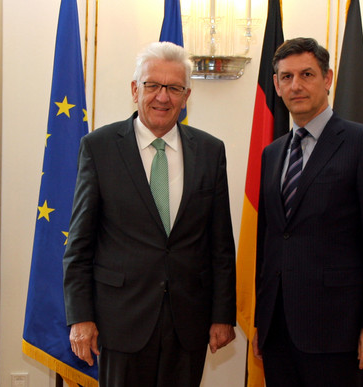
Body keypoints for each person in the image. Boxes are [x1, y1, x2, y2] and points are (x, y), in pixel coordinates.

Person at [63, 41, 236, 387]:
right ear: (134, 89)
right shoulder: (99, 147)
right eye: (152, 85)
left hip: (188, 322)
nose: (162, 97)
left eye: (173, 88)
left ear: (186, 95)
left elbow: (220, 244)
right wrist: (80, 318)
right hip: (120, 320)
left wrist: (222, 315)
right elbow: (79, 244)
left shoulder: (210, 151)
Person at [252, 37, 363, 386]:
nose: (296, 85)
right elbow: (271, 242)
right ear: (275, 84)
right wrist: (263, 322)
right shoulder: (272, 154)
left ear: (328, 78)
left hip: (339, 332)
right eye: (286, 77)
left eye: (307, 74)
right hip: (278, 331)